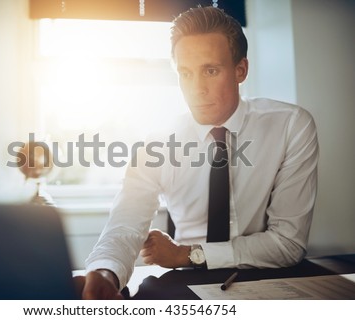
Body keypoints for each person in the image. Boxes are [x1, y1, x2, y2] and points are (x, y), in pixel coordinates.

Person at [74, 6, 319, 299]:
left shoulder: (290, 126)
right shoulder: (158, 142)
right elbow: (125, 225)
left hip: (267, 281)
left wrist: (188, 254)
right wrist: (105, 273)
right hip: (184, 288)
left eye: (211, 70)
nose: (197, 88)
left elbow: (287, 244)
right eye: (185, 73)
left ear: (240, 70)